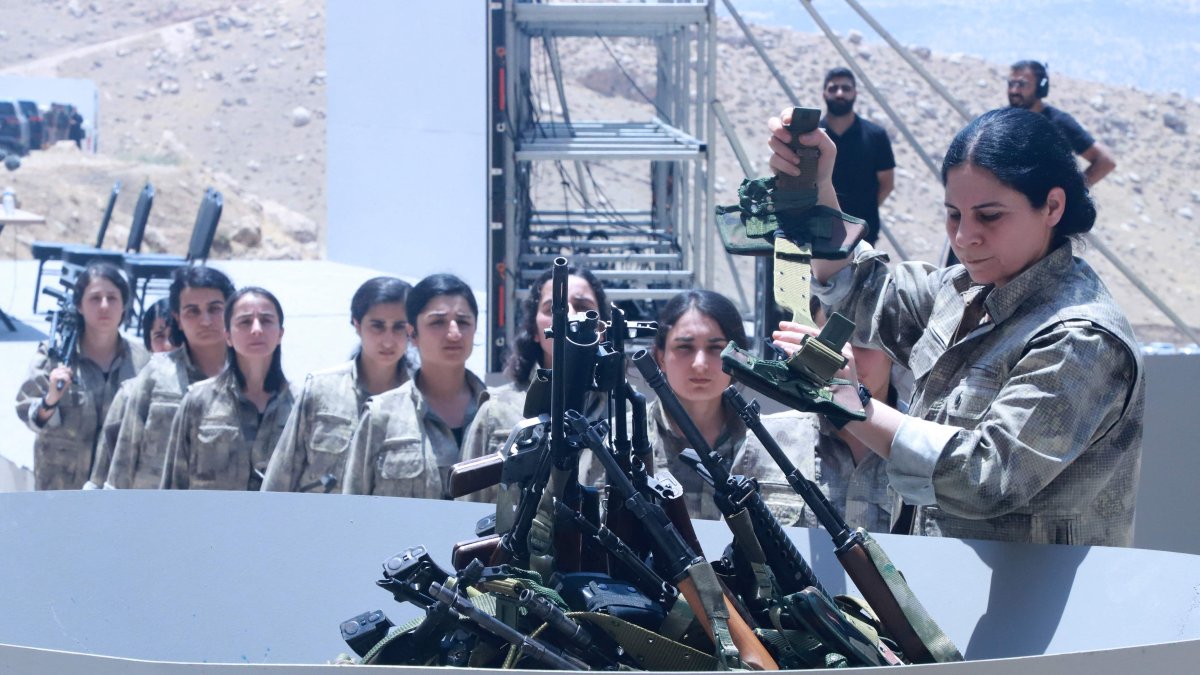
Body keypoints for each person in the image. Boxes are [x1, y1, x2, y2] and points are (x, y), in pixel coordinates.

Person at [767, 105, 1144, 546]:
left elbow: (985, 477)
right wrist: (816, 189)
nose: (965, 237)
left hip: (1033, 608)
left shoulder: (1080, 338)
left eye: (989, 216)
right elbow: (862, 290)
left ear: (1053, 206)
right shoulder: (961, 291)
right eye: (953, 215)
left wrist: (851, 403)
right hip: (940, 591)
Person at [645, 290, 820, 524]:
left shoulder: (773, 444)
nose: (700, 364)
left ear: (736, 357)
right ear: (660, 357)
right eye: (684, 347)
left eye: (716, 348)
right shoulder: (622, 439)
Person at [458, 266, 609, 503]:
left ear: (602, 328)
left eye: (583, 308)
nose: (568, 316)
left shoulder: (624, 415)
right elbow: (467, 505)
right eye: (554, 308)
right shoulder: (494, 412)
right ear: (536, 331)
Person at [262, 277, 413, 493]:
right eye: (377, 326)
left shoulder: (419, 400)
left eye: (399, 327)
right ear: (357, 324)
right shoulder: (320, 391)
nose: (388, 340)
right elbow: (279, 478)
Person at [343, 273, 487, 499]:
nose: (454, 333)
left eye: (463, 321)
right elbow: (351, 510)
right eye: (437, 322)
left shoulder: (500, 415)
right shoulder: (381, 416)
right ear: (412, 334)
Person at [15, 263, 150, 490]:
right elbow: (30, 415)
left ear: (124, 305)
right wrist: (51, 399)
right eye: (95, 298)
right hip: (61, 488)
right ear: (79, 305)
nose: (104, 306)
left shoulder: (143, 361)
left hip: (119, 489)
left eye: (112, 298)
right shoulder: (53, 357)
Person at [105, 266, 235, 489]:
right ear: (178, 317)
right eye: (192, 311)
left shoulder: (250, 374)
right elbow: (124, 456)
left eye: (215, 309)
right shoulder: (155, 375)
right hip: (157, 513)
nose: (205, 320)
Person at [161, 287, 294, 490]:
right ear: (228, 336)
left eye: (266, 321)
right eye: (245, 322)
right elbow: (174, 484)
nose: (257, 329)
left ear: (280, 334)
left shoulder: (300, 405)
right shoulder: (199, 400)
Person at [803, 299, 897, 533]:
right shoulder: (766, 442)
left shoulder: (927, 450)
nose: (847, 358)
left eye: (862, 340)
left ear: (894, 350)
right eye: (831, 341)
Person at [85, 298, 177, 489]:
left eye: (176, 337)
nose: (168, 346)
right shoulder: (130, 394)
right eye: (159, 336)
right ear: (148, 344)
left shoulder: (206, 395)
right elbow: (102, 471)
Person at [1007, 60, 1115, 187]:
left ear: (1041, 88)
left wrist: (1074, 193)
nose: (1014, 90)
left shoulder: (1058, 122)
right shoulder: (1001, 121)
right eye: (1011, 84)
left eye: (1022, 84)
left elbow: (1105, 161)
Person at [819, 67, 895, 245]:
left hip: (862, 234)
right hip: (818, 233)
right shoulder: (812, 137)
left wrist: (863, 211)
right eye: (833, 88)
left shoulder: (876, 136)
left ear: (855, 93)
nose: (839, 93)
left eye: (845, 88)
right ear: (824, 94)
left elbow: (887, 184)